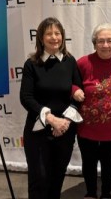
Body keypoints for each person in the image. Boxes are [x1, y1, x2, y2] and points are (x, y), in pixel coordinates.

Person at [20, 17, 84, 199]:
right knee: (38, 178)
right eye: (49, 33)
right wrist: (50, 119)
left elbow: (78, 94)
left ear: (63, 37)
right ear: (41, 38)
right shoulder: (31, 64)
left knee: (57, 178)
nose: (54, 37)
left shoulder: (70, 62)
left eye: (57, 33)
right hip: (38, 130)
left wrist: (64, 122)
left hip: (64, 130)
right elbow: (26, 98)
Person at [76, 23, 111, 199]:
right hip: (87, 125)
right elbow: (70, 82)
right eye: (101, 41)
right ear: (94, 43)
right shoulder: (83, 62)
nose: (105, 45)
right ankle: (91, 193)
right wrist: (73, 90)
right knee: (89, 162)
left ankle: (107, 194)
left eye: (110, 41)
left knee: (109, 162)